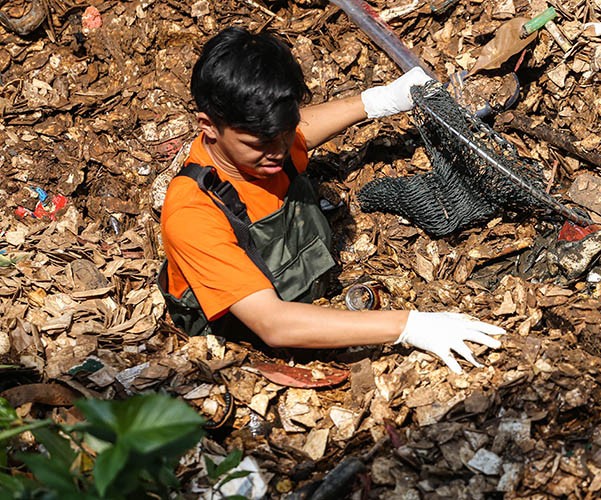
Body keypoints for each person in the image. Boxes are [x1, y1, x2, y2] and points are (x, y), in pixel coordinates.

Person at [158, 27, 504, 374]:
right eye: (261, 143)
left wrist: (380, 100)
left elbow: (305, 131)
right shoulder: (193, 212)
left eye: (286, 132)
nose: (279, 153)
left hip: (310, 299)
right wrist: (408, 327)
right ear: (209, 126)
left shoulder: (266, 146)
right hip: (243, 352)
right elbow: (273, 324)